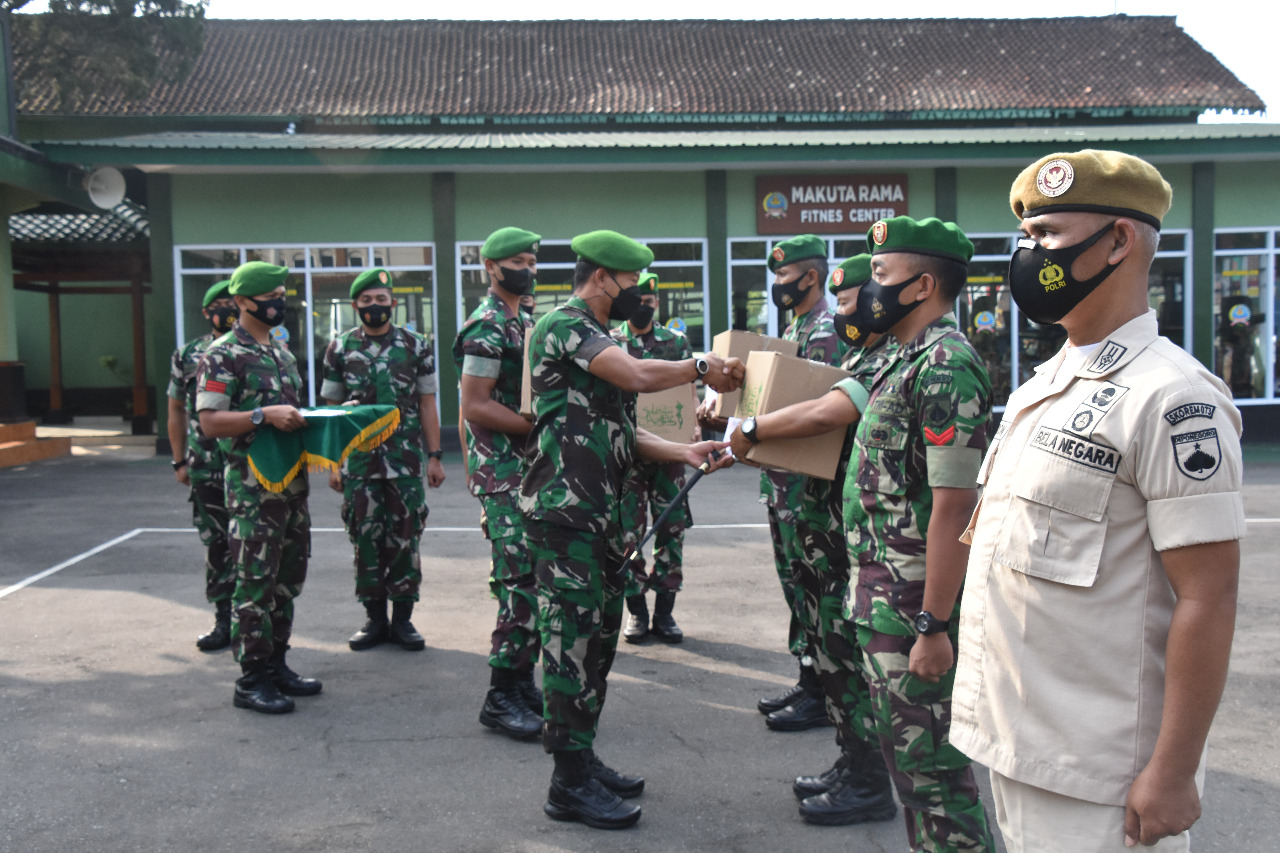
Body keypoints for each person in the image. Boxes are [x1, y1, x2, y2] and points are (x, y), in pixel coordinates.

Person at [950, 150, 1245, 852]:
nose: (1029, 255)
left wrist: (1172, 771)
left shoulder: (1175, 397)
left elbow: (1209, 594)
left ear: (1118, 240)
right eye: (1026, 238)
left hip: (1105, 775)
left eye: (1048, 234)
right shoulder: (1041, 384)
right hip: (1016, 743)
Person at [520, 229, 743, 830]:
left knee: (598, 646)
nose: (640, 295)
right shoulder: (562, 326)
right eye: (633, 284)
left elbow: (619, 431)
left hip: (605, 518)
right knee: (569, 646)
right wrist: (699, 365)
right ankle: (566, 783)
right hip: (566, 518)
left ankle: (583, 758)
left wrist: (685, 452)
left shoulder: (602, 336)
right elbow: (641, 379)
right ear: (602, 279)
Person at [729, 253, 898, 826]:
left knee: (844, 651)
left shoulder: (894, 356)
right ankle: (857, 764)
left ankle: (868, 778)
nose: (846, 314)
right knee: (830, 643)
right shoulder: (871, 351)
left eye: (854, 303)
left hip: (837, 522)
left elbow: (823, 413)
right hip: (818, 511)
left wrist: (749, 431)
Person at [196, 261, 320, 715]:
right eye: (270, 295)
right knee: (254, 583)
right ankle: (251, 678)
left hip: (291, 485)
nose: (279, 301)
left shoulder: (282, 353)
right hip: (251, 490)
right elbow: (209, 423)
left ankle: (277, 665)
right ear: (244, 302)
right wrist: (261, 415)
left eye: (282, 293)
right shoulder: (224, 353)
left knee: (288, 578)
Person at [321, 267, 445, 653]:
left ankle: (403, 621)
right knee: (366, 537)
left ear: (393, 301)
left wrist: (435, 456)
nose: (375, 306)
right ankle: (374, 619)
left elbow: (427, 402)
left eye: (381, 299)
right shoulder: (339, 347)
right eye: (366, 300)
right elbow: (332, 407)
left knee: (406, 537)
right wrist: (332, 462)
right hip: (359, 462)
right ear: (356, 305)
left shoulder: (415, 344)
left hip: (404, 459)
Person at [453, 226, 543, 740]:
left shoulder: (524, 321)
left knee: (531, 577)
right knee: (520, 579)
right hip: (505, 473)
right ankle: (501, 695)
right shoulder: (487, 326)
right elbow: (474, 405)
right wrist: (539, 426)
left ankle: (521, 680)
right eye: (517, 260)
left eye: (531, 260)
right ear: (491, 267)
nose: (526, 268)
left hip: (526, 469)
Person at [753, 234, 845, 733]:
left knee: (815, 588)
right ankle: (810, 678)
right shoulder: (799, 328)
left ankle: (825, 693)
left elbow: (813, 417)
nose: (777, 285)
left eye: (784, 277)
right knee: (797, 587)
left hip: (805, 491)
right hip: (783, 486)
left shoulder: (825, 330)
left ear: (810, 277)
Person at [613, 272, 695, 644]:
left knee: (670, 531)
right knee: (627, 534)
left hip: (670, 454)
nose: (644, 308)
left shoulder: (675, 342)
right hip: (627, 456)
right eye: (638, 302)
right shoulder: (611, 343)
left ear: (656, 303)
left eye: (649, 303)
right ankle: (637, 612)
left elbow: (688, 386)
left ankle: (664, 613)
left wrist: (693, 424)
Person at [167, 279, 237, 651]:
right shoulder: (187, 355)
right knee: (216, 544)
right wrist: (180, 460)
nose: (227, 310)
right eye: (220, 305)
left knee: (255, 543)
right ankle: (224, 619)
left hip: (247, 463)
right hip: (206, 465)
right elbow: (175, 410)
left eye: (232, 303)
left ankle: (256, 621)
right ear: (207, 312)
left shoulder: (259, 349)